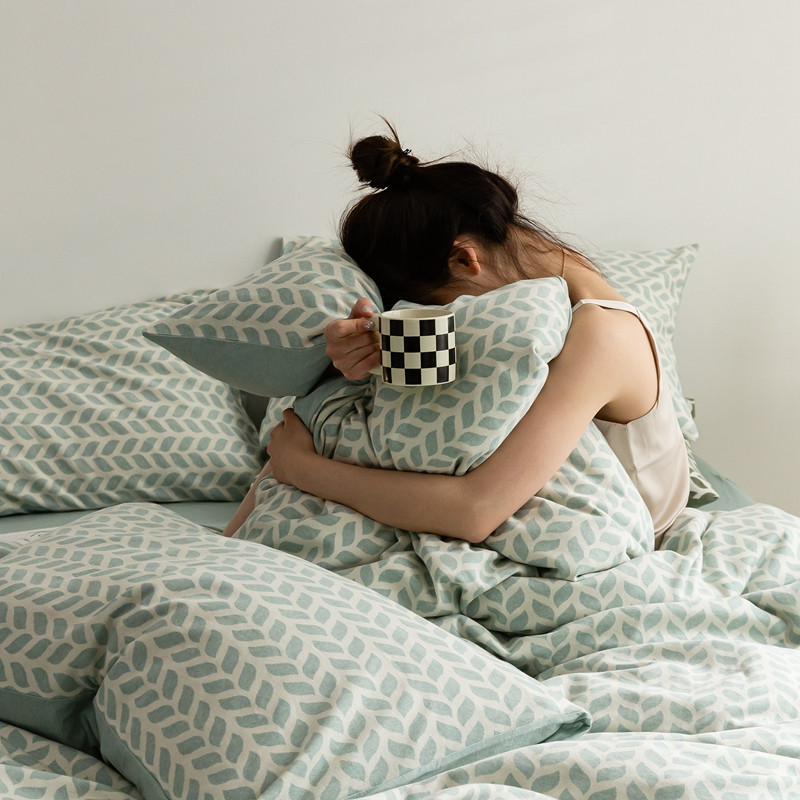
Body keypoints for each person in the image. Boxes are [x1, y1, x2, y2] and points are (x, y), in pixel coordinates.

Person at [224, 125, 690, 545]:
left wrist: (301, 468)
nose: (448, 317)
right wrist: (356, 361)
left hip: (615, 530)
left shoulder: (604, 333)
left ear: (465, 259)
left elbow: (476, 510)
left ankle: (232, 548)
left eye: (436, 305)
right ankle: (228, 548)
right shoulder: (539, 290)